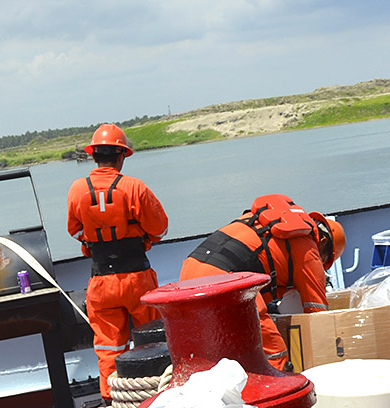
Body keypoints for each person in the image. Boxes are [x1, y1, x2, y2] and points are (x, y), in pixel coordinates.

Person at [179, 194, 345, 370]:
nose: (320, 265)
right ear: (323, 242)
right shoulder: (308, 250)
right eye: (324, 259)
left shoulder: (263, 225)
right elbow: (319, 317)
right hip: (225, 282)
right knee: (276, 353)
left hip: (187, 276)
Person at [67, 123, 169, 405]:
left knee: (108, 346)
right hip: (138, 278)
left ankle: (112, 400)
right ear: (122, 155)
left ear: (93, 155)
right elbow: (160, 228)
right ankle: (156, 396)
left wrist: (91, 241)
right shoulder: (135, 187)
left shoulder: (77, 189)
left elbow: (74, 230)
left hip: (100, 281)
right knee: (152, 341)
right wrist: (144, 237)